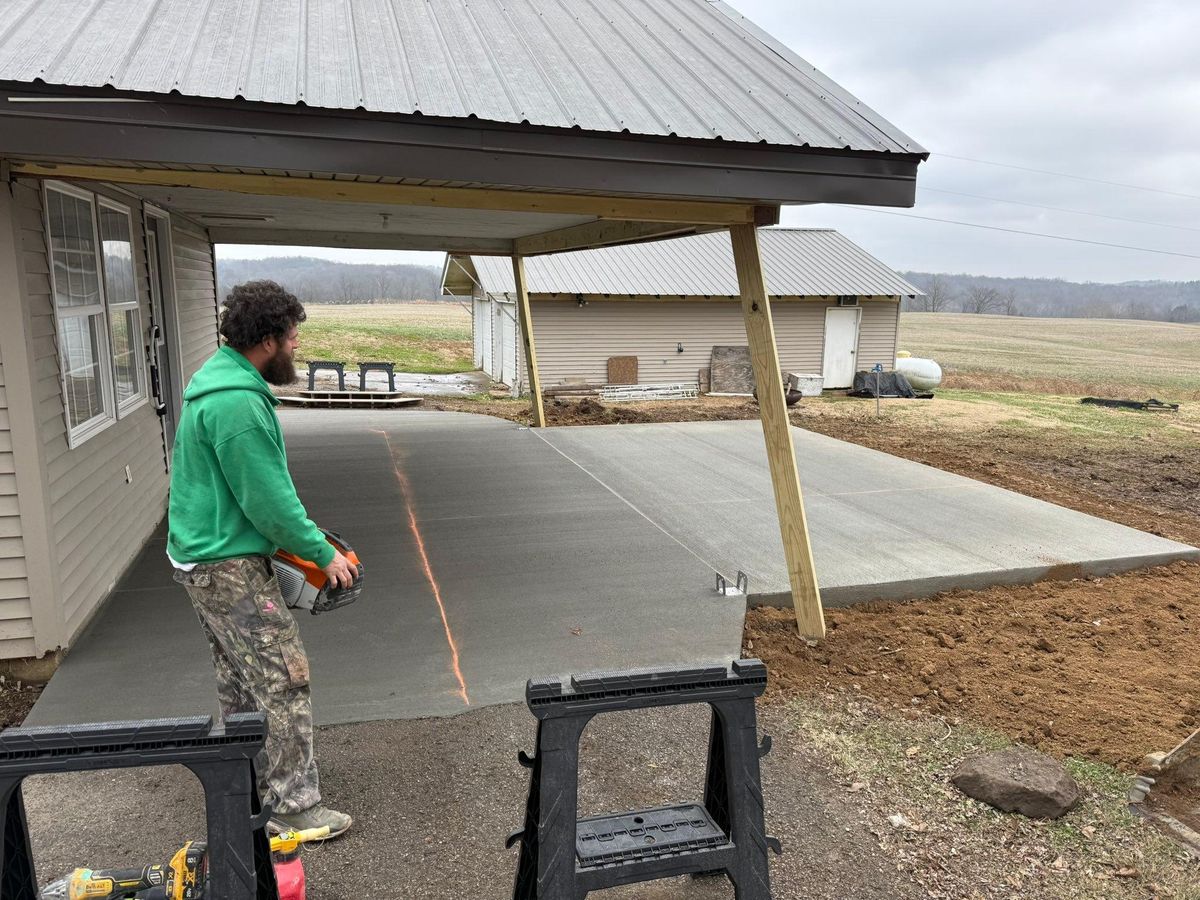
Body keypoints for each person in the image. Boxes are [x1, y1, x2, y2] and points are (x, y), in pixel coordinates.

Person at [166, 280, 355, 838]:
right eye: (293, 338)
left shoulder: (219, 383)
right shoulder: (238, 405)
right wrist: (323, 553)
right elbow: (268, 501)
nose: (296, 348)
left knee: (240, 679)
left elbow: (254, 496)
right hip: (225, 565)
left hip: (202, 557)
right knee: (282, 676)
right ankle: (294, 809)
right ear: (268, 340)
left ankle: (245, 781)